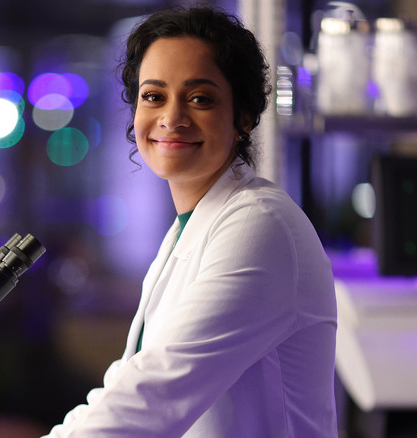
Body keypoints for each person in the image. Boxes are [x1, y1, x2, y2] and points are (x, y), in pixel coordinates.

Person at [44, 6, 338, 437]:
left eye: (200, 98)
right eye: (153, 96)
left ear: (242, 116)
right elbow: (125, 384)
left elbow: (151, 398)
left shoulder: (261, 226)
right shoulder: (193, 226)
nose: (172, 117)